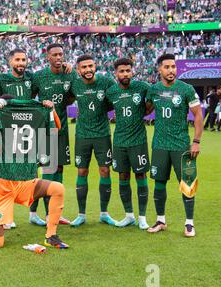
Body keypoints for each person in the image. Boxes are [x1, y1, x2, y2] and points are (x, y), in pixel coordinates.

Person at [0, 97, 69, 249]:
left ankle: (51, 236)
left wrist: (52, 110)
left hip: (22, 184)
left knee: (58, 189)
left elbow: (55, 130)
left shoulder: (27, 127)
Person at [146, 53, 203, 237]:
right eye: (167, 67)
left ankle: (189, 224)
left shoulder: (186, 89)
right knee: (159, 182)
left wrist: (196, 142)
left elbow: (199, 116)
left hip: (182, 146)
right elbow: (145, 110)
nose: (171, 70)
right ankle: (161, 220)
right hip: (160, 145)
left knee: (187, 184)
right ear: (159, 69)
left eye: (173, 67)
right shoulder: (153, 90)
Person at [29, 43, 76, 226]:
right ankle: (39, 213)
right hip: (43, 131)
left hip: (61, 129)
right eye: (54, 55)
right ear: (47, 57)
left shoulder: (69, 74)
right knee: (46, 169)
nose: (58, 58)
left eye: (61, 54)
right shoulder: (39, 76)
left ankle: (54, 212)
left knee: (59, 169)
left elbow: (71, 96)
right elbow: (29, 97)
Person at [70, 55, 117, 227]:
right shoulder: (75, 84)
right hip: (82, 134)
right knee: (82, 172)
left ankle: (104, 213)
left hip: (102, 134)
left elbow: (115, 100)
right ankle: (81, 214)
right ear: (78, 69)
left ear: (95, 66)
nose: (88, 70)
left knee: (105, 170)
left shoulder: (106, 82)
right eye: (84, 67)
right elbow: (68, 97)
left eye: (90, 66)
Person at [105, 58, 151, 230]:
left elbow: (152, 101)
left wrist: (147, 109)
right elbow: (106, 107)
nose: (125, 74)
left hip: (138, 141)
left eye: (128, 71)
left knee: (141, 176)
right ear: (116, 73)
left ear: (132, 71)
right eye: (121, 71)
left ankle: (142, 217)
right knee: (122, 177)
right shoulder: (112, 92)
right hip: (119, 141)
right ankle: (129, 215)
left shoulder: (143, 87)